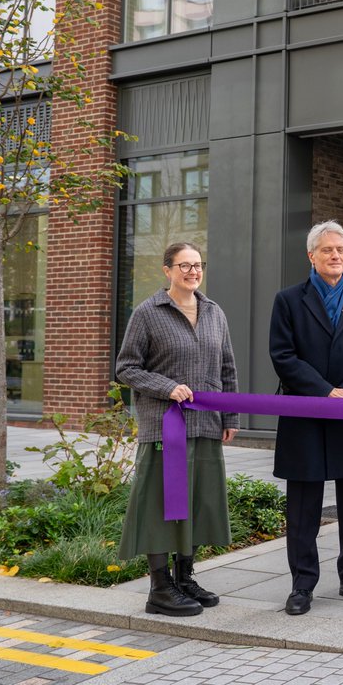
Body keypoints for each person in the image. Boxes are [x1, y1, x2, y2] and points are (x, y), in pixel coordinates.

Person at [269, 220, 343, 616]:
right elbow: (283, 356)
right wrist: (324, 391)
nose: (335, 256)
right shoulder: (288, 300)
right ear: (311, 255)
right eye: (327, 250)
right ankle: (302, 584)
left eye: (340, 250)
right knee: (304, 506)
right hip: (305, 414)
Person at [117, 242, 238, 617]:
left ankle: (185, 578)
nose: (192, 271)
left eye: (197, 265)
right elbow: (126, 368)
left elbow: (227, 369)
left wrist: (230, 418)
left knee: (196, 502)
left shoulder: (214, 313)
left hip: (205, 425)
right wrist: (166, 387)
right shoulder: (148, 313)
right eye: (184, 265)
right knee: (161, 505)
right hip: (163, 429)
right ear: (167, 270)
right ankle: (160, 587)